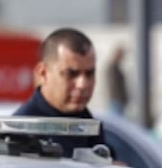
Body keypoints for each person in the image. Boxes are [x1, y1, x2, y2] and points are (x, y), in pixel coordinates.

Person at [13, 27, 111, 158]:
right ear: (43, 73)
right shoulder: (22, 133)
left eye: (89, 74)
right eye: (71, 74)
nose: (83, 84)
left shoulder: (87, 123)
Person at [107, 46, 129, 117]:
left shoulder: (115, 67)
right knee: (117, 119)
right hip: (116, 100)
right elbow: (114, 86)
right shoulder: (113, 68)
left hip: (117, 100)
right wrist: (122, 98)